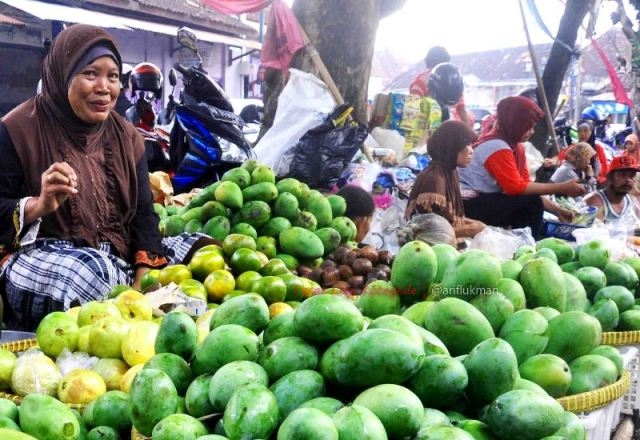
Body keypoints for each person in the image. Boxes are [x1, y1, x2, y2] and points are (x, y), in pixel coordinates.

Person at [0, 24, 208, 330]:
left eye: (113, 76)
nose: (104, 87)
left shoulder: (126, 136)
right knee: (93, 274)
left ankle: (138, 302)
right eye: (90, 74)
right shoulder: (16, 130)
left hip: (116, 252)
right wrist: (39, 204)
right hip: (43, 254)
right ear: (63, 74)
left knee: (203, 250)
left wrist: (144, 271)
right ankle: (149, 306)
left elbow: (143, 214)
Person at [459, 96, 586, 238]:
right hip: (467, 205)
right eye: (528, 126)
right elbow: (516, 188)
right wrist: (562, 187)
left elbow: (525, 188)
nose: (532, 131)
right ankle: (525, 246)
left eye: (533, 127)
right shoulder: (496, 147)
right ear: (515, 123)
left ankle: (522, 242)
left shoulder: (516, 148)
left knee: (531, 201)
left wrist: (557, 211)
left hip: (485, 200)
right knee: (530, 204)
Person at [405, 120, 485, 238]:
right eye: (467, 145)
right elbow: (428, 233)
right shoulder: (434, 180)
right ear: (452, 148)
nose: (471, 151)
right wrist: (470, 230)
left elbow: (449, 217)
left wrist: (474, 224)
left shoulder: (450, 171)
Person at [409, 46, 472, 126]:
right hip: (452, 126)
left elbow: (412, 104)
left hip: (427, 127)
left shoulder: (421, 79)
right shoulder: (453, 77)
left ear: (428, 60)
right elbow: (461, 108)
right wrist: (468, 129)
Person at [544, 119, 609, 185]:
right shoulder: (574, 148)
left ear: (591, 132)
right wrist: (552, 161)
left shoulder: (598, 149)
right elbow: (561, 156)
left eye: (585, 130)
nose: (582, 134)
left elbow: (604, 170)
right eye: (579, 131)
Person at [584, 155, 640, 225]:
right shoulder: (595, 201)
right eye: (622, 175)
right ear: (610, 177)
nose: (628, 180)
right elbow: (591, 233)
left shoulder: (632, 202)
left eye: (631, 176)